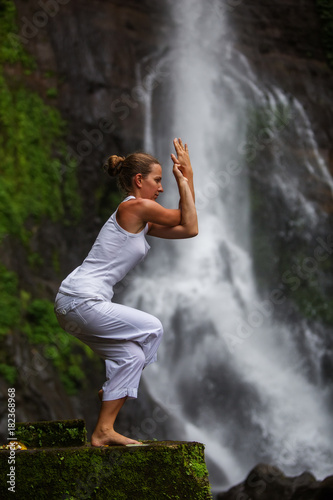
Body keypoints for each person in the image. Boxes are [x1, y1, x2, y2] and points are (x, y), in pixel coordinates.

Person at [54, 138, 198, 446]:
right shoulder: (137, 207)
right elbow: (185, 217)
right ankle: (114, 385)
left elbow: (190, 229)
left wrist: (188, 177)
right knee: (153, 327)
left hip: (75, 305)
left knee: (131, 355)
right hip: (82, 300)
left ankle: (103, 431)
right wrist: (184, 177)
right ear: (139, 180)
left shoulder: (141, 218)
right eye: (158, 180)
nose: (162, 187)